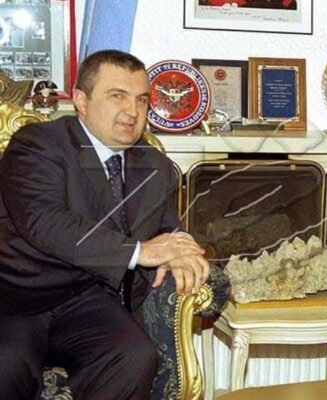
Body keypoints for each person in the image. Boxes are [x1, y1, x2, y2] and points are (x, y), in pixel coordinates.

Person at [0, 50, 210, 399]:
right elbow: (45, 222)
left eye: (141, 99)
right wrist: (140, 251)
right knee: (7, 365)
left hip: (87, 298)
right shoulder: (38, 144)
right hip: (18, 299)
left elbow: (168, 228)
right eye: (118, 96)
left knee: (133, 356)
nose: (133, 111)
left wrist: (181, 249)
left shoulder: (155, 165)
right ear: (81, 101)